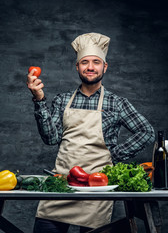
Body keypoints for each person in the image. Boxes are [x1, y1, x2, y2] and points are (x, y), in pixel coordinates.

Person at [27, 33, 155, 233]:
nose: (90, 67)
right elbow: (51, 138)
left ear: (105, 67)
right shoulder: (62, 100)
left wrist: (115, 154)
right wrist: (40, 100)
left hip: (97, 189)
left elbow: (146, 132)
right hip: (61, 187)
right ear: (77, 66)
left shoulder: (116, 103)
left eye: (96, 62)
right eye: (84, 62)